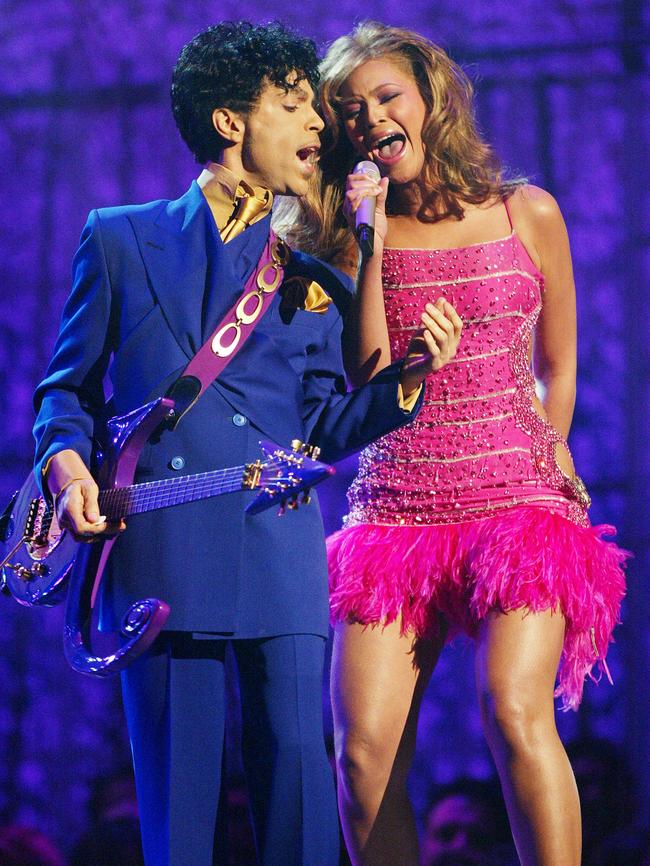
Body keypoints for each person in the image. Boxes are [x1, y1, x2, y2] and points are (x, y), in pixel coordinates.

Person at [31, 21, 460, 866]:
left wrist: (407, 379)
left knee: (301, 789)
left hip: (279, 542)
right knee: (178, 816)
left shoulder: (312, 276)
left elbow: (327, 426)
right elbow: (65, 390)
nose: (319, 126)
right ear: (231, 123)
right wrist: (68, 462)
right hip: (157, 544)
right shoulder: (119, 236)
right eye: (295, 104)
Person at [283, 20, 628, 866]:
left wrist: (556, 453)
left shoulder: (526, 211)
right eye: (350, 110)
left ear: (429, 98)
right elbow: (366, 378)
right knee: (359, 754)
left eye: (385, 96)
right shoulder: (347, 238)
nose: (369, 119)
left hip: (519, 498)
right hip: (395, 512)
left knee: (513, 710)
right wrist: (371, 242)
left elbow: (559, 364)